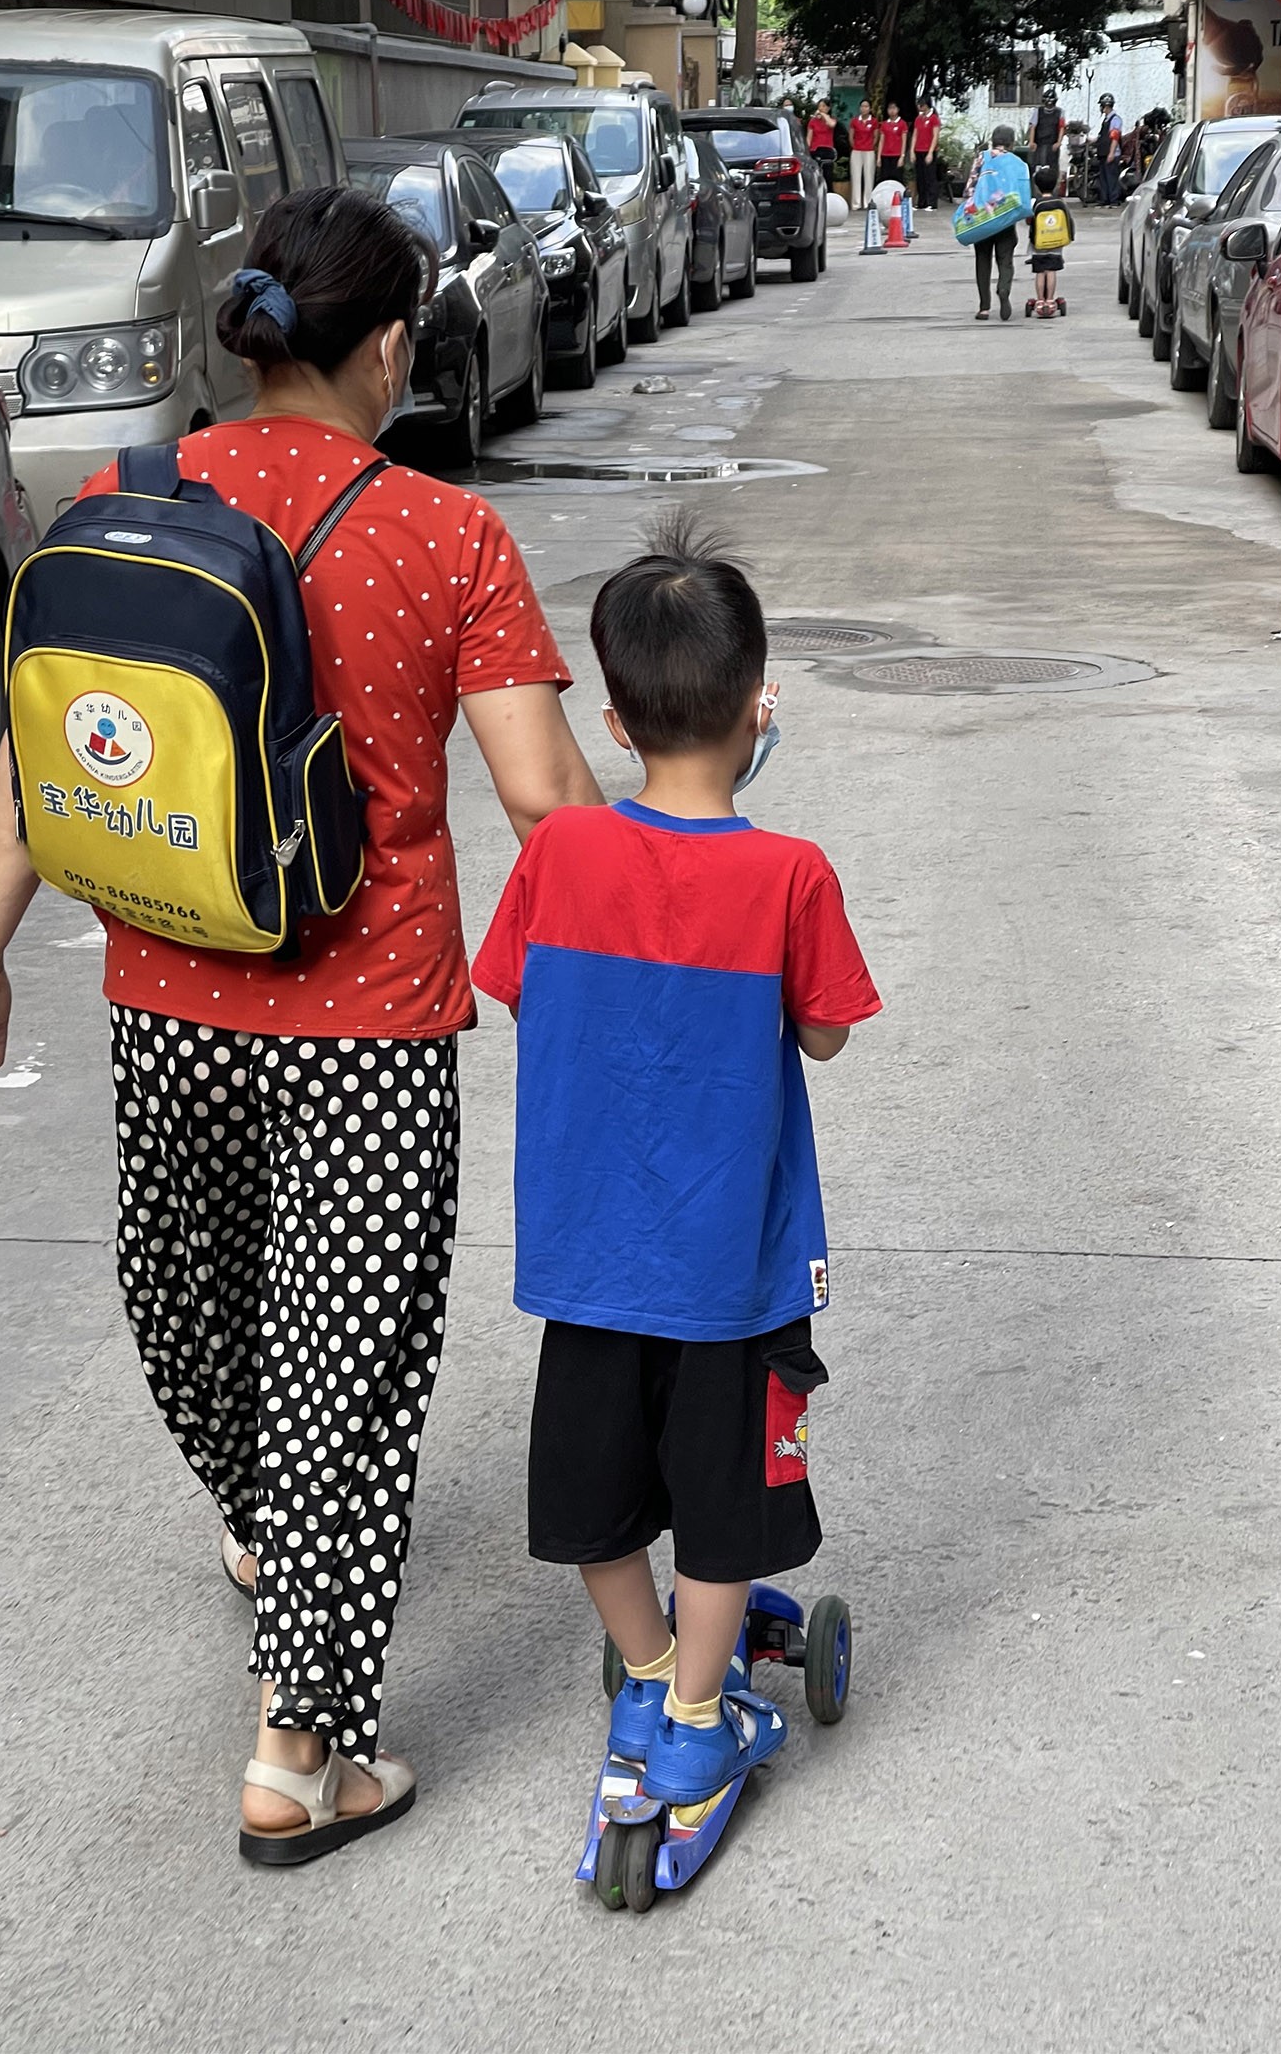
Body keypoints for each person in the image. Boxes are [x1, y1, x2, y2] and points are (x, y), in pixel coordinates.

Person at [0, 186, 606, 1864]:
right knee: (347, 1374)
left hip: (163, 995)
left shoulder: (123, 499)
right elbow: (546, 804)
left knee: (190, 1306)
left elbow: (49, 752)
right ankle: (304, 1754)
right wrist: (651, 963)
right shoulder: (450, 537)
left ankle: (268, 1531)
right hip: (370, 1023)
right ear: (385, 346)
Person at [472, 511, 880, 1817]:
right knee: (725, 1518)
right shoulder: (791, 875)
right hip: (732, 1274)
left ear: (611, 714)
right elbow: (823, 1034)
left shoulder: (561, 857)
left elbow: (520, 992)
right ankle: (702, 1715)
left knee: (593, 1504)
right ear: (759, 708)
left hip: (587, 1258)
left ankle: (646, 1665)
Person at [963, 124, 1031, 321]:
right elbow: (1022, 191)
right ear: (1011, 142)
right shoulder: (1016, 162)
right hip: (1004, 217)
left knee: (982, 259)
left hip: (983, 217)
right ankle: (1003, 290)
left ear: (993, 140)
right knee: (1005, 259)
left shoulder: (981, 158)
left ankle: (984, 307)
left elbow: (969, 189)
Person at [1025, 163, 1072, 318]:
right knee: (1051, 270)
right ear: (1055, 186)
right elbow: (1068, 222)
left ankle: (1039, 300)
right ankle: (1051, 300)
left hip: (1038, 242)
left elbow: (1028, 221)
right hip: (1056, 241)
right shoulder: (1061, 203)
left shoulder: (1034, 203)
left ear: (1037, 186)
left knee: (1040, 271)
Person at [1030, 84, 1064, 182]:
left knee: (1052, 167)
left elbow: (1062, 127)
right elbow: (1033, 126)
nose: (1049, 105)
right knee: (1038, 166)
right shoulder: (1038, 111)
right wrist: (1032, 142)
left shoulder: (1060, 112)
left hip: (1052, 144)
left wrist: (1058, 142)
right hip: (1039, 143)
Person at [1094, 92, 1125, 201]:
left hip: (1111, 153)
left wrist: (1111, 153)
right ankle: (1105, 199)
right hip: (1103, 153)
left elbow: (1115, 137)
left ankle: (1113, 199)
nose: (1101, 108)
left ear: (1106, 106)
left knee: (1111, 178)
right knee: (1103, 178)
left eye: (1101, 105)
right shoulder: (1106, 119)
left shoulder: (1115, 119)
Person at [847, 100, 878, 206]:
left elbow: (875, 137)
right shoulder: (855, 121)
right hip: (856, 150)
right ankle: (856, 203)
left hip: (869, 151)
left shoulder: (873, 121)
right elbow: (851, 136)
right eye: (862, 106)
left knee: (869, 176)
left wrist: (870, 146)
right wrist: (855, 146)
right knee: (856, 176)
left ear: (870, 108)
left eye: (866, 106)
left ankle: (867, 202)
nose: (864, 108)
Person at [913, 101, 942, 207]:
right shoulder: (918, 119)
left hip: (929, 150)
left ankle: (932, 202)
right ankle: (922, 202)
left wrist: (930, 152)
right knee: (920, 177)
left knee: (930, 177)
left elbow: (935, 136)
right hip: (919, 150)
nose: (920, 107)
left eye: (922, 104)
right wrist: (912, 150)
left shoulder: (934, 118)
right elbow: (915, 135)